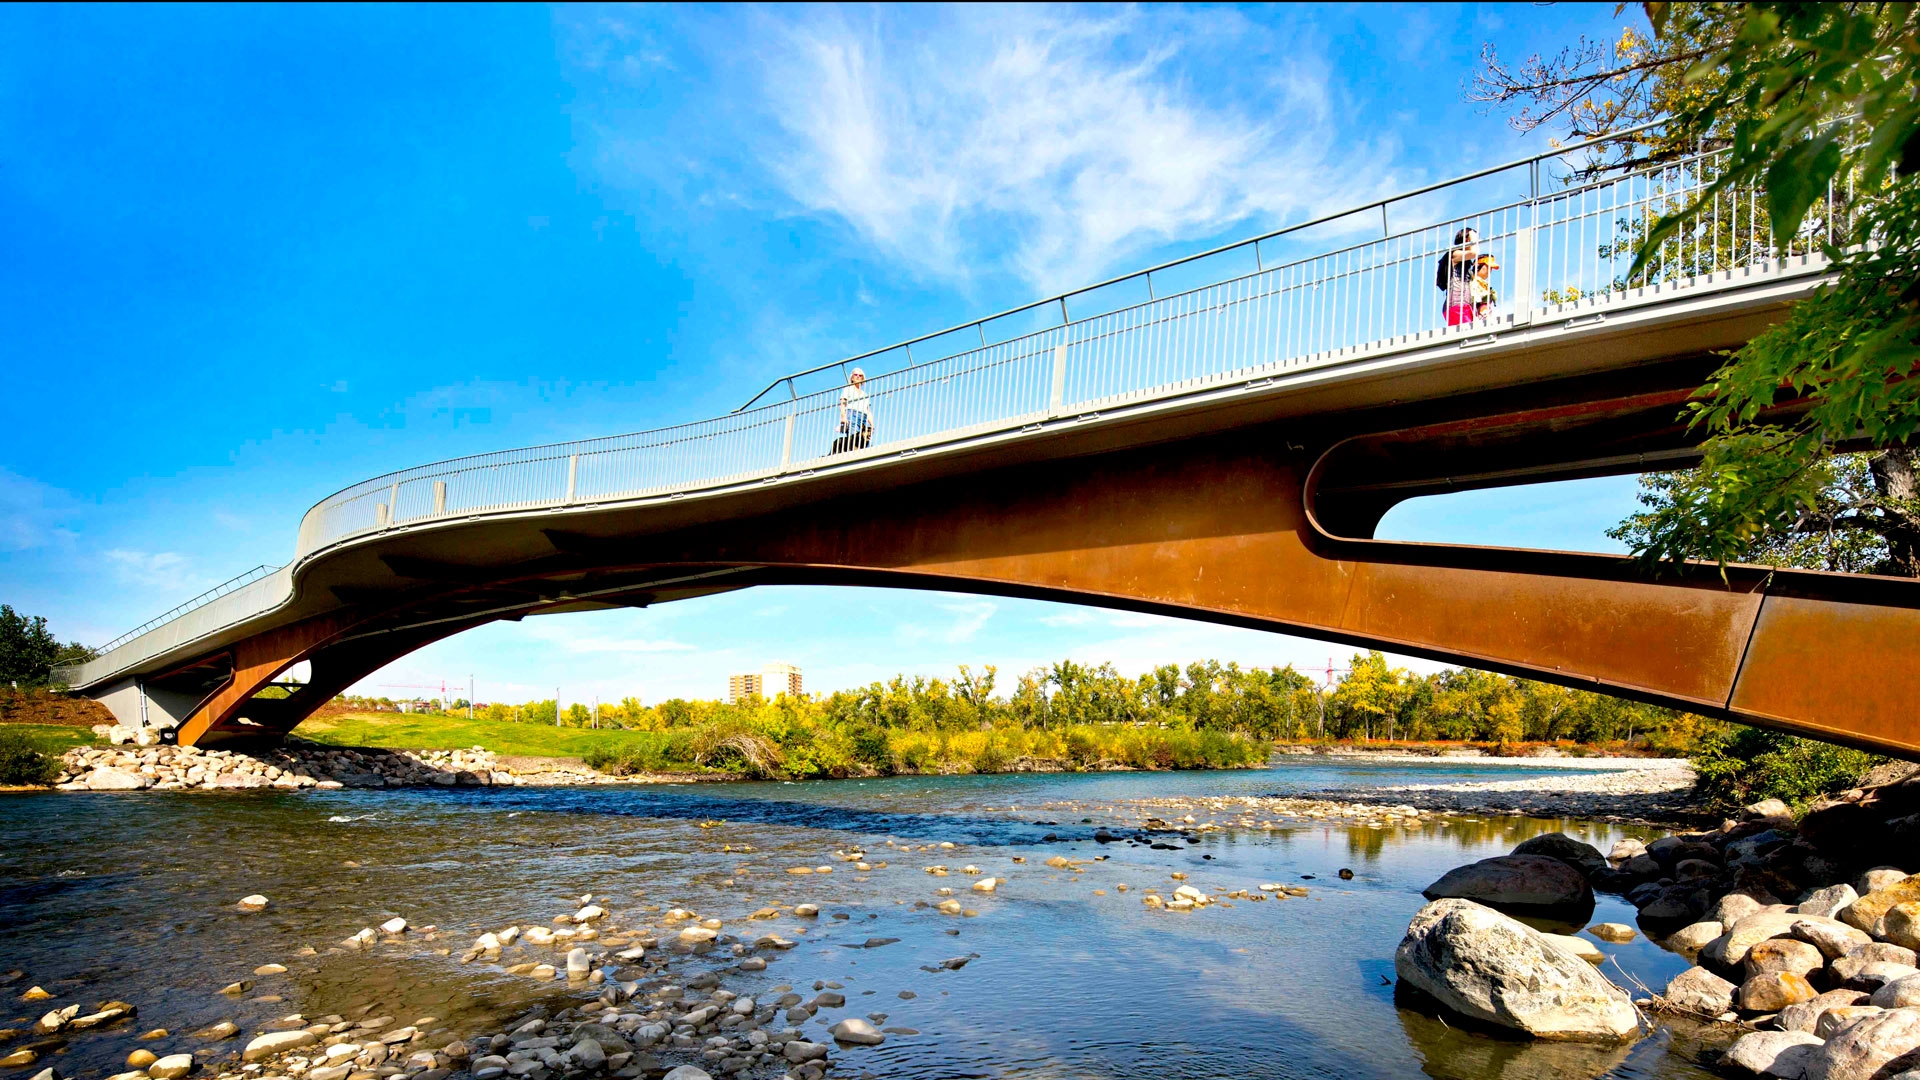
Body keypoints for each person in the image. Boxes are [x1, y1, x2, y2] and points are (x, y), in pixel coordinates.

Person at [1435, 227, 1478, 327]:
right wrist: (1472, 236)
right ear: (1467, 239)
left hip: (1463, 304)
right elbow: (1474, 253)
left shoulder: (1464, 260)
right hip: (1457, 303)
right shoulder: (1454, 254)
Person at [833, 367, 873, 453]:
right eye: (855, 375)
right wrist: (843, 417)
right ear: (852, 377)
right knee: (853, 441)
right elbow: (842, 404)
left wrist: (872, 423)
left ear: (863, 378)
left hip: (863, 417)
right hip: (852, 415)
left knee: (865, 441)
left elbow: (868, 411)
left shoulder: (865, 394)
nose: (858, 376)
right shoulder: (848, 389)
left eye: (860, 375)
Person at [1471, 254, 1499, 321]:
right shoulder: (1472, 281)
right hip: (1477, 311)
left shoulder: (1483, 283)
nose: (1490, 270)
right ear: (1477, 266)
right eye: (1488, 267)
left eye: (1491, 268)